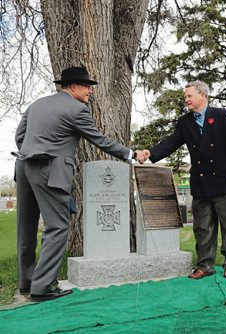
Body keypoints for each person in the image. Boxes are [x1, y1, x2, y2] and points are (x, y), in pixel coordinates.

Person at [13, 66, 145, 302]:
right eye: (87, 87)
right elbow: (99, 139)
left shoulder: (36, 105)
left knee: (26, 228)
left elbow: (20, 136)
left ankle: (26, 282)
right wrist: (131, 153)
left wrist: (31, 152)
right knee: (57, 226)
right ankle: (42, 287)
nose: (90, 92)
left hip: (24, 166)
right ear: (73, 87)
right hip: (49, 169)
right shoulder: (77, 109)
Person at [138, 81, 226, 280]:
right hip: (201, 183)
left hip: (225, 183)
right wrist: (150, 153)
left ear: (202, 95)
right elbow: (171, 142)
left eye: (189, 95)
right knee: (202, 227)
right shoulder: (185, 122)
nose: (185, 99)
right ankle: (205, 265)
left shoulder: (221, 116)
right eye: (185, 96)